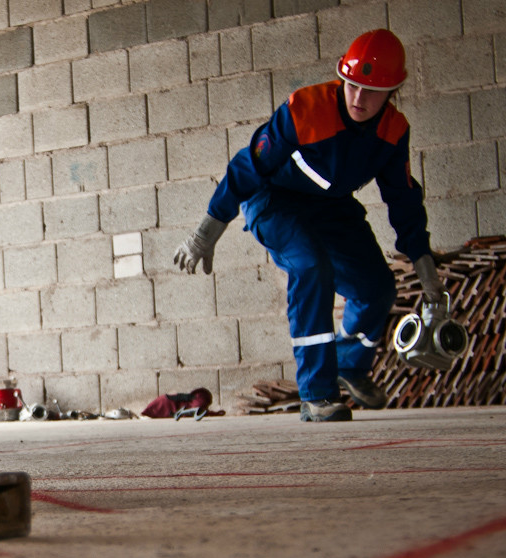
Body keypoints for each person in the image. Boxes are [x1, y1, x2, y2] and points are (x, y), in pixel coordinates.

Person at [174, 29, 447, 422]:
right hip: (273, 200)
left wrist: (426, 271)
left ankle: (348, 364)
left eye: (372, 91)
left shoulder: (393, 131)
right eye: (352, 85)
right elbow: (248, 166)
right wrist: (205, 232)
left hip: (330, 206)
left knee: (377, 288)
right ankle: (317, 395)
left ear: (392, 91)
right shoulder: (306, 109)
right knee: (310, 266)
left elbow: (403, 201)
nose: (358, 98)